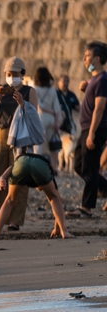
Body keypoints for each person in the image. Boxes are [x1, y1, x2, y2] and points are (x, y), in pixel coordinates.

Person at [0, 56, 38, 229]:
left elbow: (33, 115)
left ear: (22, 74)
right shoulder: (0, 90)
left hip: (20, 136)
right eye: (8, 73)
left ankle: (15, 220)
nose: (11, 77)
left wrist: (22, 103)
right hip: (0, 136)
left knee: (18, 177)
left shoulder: (29, 91)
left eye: (14, 74)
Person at [0, 152, 72, 241]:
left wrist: (2, 177)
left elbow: (12, 167)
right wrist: (60, 228)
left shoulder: (22, 163)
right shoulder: (48, 171)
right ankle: (64, 231)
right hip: (40, 165)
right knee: (53, 198)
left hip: (21, 162)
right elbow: (57, 200)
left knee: (9, 200)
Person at [67, 41, 107, 217]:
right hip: (86, 128)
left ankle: (86, 208)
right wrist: (86, 90)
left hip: (94, 130)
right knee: (78, 165)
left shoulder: (102, 80)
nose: (84, 58)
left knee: (90, 169)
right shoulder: (94, 80)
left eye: (88, 56)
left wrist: (92, 133)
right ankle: (104, 189)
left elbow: (99, 108)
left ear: (97, 59)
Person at [34, 66, 63, 172]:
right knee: (53, 145)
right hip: (52, 119)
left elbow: (39, 105)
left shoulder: (35, 89)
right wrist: (57, 121)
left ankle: (37, 167)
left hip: (40, 118)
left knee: (38, 145)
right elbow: (57, 107)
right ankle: (54, 167)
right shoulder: (52, 90)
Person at [56, 74, 80, 171]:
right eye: (63, 81)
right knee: (58, 149)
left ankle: (70, 168)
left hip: (69, 125)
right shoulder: (55, 94)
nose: (65, 83)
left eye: (67, 81)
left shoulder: (71, 95)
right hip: (58, 126)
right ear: (58, 82)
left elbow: (78, 107)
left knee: (71, 148)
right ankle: (59, 167)